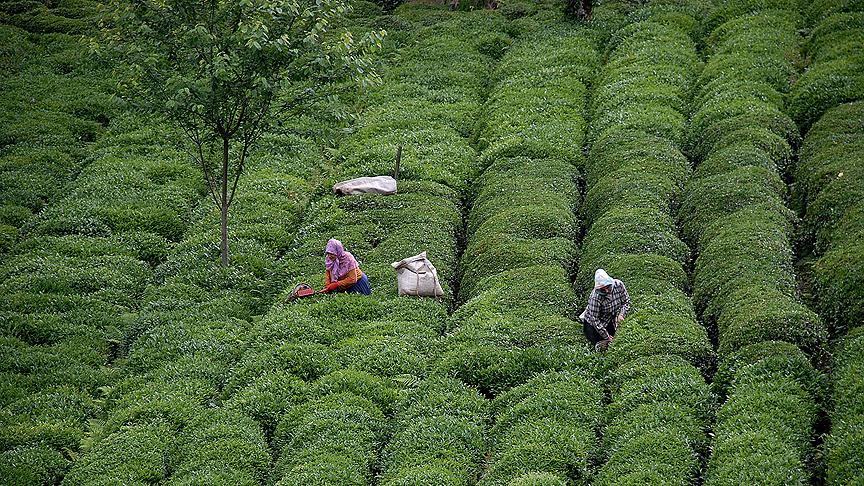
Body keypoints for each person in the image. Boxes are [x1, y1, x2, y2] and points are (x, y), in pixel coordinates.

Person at [580, 268, 631, 351]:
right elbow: (594, 319)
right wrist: (606, 336)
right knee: (598, 342)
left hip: (609, 318)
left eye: (607, 287)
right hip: (593, 323)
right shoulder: (595, 297)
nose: (606, 290)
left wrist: (621, 314)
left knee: (614, 340)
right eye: (602, 289)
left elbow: (626, 302)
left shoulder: (619, 285)